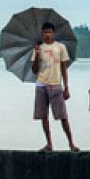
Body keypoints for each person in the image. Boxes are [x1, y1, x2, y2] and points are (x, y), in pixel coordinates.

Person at [30, 22, 77, 151]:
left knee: (63, 116)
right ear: (42, 33)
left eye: (49, 32)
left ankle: (71, 143)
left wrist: (66, 87)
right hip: (41, 84)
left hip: (56, 85)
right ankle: (49, 143)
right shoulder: (38, 48)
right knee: (43, 116)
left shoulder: (60, 47)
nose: (47, 34)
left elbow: (64, 68)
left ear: (53, 33)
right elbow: (34, 70)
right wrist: (37, 54)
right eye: (45, 32)